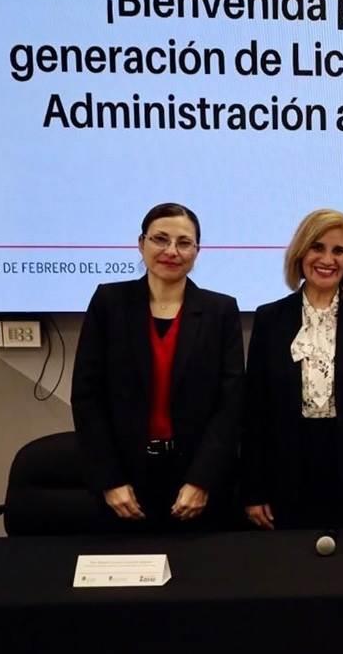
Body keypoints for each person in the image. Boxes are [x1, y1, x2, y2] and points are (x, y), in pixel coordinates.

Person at [72, 202, 244, 531]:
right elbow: (87, 397)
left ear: (197, 250)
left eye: (183, 243)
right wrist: (110, 481)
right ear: (141, 243)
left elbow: (230, 404)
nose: (171, 251)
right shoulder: (110, 303)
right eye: (160, 239)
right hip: (124, 483)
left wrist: (201, 481)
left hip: (195, 483)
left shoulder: (220, 310)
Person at [242, 209, 343, 530]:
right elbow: (254, 411)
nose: (327, 259)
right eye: (317, 247)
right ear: (300, 253)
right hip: (284, 472)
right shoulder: (270, 319)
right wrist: (253, 489)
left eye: (338, 250)